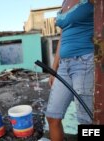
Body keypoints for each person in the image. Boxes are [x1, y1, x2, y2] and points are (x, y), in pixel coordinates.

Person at [46, 0, 94, 141]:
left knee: (87, 122)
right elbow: (63, 37)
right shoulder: (64, 2)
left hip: (85, 62)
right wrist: (53, 70)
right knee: (52, 116)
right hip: (63, 66)